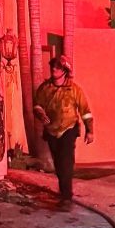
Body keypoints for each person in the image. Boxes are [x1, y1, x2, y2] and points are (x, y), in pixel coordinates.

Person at [33, 55, 94, 208]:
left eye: (58, 67)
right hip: (52, 131)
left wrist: (89, 130)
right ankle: (64, 193)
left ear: (65, 71)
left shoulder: (74, 90)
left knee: (66, 162)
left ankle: (67, 198)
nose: (54, 69)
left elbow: (85, 111)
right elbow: (37, 105)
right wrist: (40, 114)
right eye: (53, 66)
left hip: (69, 129)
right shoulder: (45, 88)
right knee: (59, 164)